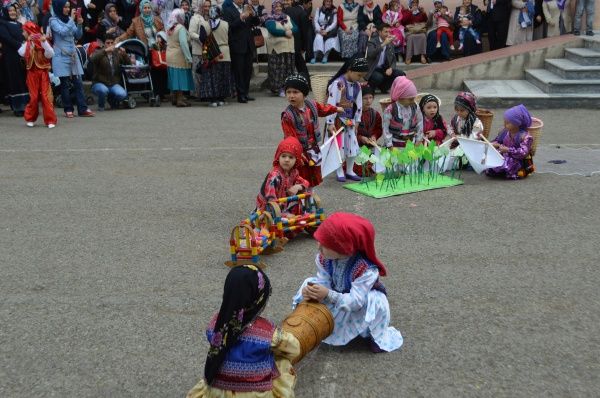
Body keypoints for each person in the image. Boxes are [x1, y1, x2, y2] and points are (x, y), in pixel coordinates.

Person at [292, 212, 403, 353]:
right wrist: (315, 292)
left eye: (325, 244)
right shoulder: (324, 258)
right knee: (309, 282)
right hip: (338, 295)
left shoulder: (365, 270)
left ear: (343, 248)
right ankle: (320, 322)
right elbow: (324, 280)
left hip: (358, 301)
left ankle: (373, 334)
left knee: (375, 302)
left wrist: (328, 294)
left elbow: (356, 302)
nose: (318, 246)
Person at [186, 265, 300, 398]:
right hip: (254, 393)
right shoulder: (268, 332)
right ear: (259, 299)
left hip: (217, 389)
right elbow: (294, 349)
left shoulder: (215, 324)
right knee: (282, 360)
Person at [280, 74, 343, 187]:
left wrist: (335, 109)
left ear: (304, 94)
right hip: (300, 152)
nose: (291, 96)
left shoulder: (311, 105)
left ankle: (310, 197)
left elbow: (323, 109)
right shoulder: (287, 116)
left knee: (313, 174)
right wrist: (297, 153)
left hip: (313, 148)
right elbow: (290, 137)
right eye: (288, 92)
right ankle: (301, 201)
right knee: (300, 176)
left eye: (295, 92)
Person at [49, 0, 94, 118]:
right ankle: (68, 109)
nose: (67, 9)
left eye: (68, 7)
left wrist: (79, 24)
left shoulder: (70, 19)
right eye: (65, 7)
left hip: (73, 54)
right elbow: (62, 32)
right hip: (60, 55)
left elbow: (78, 35)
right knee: (64, 84)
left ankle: (82, 108)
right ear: (59, 7)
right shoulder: (53, 20)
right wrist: (72, 20)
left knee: (78, 82)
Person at [326, 57, 368, 182]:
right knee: (339, 147)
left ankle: (349, 170)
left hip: (350, 121)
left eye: (362, 75)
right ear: (349, 70)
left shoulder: (357, 86)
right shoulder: (338, 84)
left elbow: (359, 105)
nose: (360, 78)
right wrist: (330, 122)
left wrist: (357, 121)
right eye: (358, 74)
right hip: (337, 120)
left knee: (353, 147)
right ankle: (339, 170)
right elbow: (331, 104)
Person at [256, 136, 310, 218]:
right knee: (273, 216)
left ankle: (293, 216)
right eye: (283, 156)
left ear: (297, 160)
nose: (287, 160)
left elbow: (306, 183)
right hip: (269, 207)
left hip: (284, 204)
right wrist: (284, 215)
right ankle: (287, 217)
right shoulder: (274, 176)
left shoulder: (294, 172)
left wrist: (298, 186)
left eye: (291, 157)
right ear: (278, 157)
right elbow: (271, 200)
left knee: (299, 199)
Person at [18, 21, 57, 128]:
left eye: (24, 31)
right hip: (31, 74)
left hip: (43, 73)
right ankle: (30, 118)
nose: (23, 33)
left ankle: (50, 120)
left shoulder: (43, 43)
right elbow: (20, 52)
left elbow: (51, 54)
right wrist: (28, 41)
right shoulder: (27, 44)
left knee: (45, 96)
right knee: (33, 97)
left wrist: (44, 42)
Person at [222, 0, 259, 103]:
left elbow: (256, 22)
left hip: (249, 44)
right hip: (237, 44)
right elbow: (229, 26)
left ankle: (246, 93)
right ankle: (240, 94)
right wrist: (241, 17)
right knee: (239, 71)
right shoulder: (228, 10)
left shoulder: (246, 8)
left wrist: (254, 13)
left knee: (248, 70)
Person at [197, 6, 234, 106]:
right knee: (223, 75)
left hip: (210, 53)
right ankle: (221, 98)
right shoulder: (226, 24)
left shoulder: (204, 24)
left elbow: (202, 38)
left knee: (211, 76)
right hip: (225, 52)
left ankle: (213, 100)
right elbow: (230, 39)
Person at [486, 104, 535, 179]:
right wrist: (495, 144)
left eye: (508, 123)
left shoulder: (525, 137)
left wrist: (508, 150)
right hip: (504, 155)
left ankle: (506, 171)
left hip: (517, 160)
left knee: (505, 165)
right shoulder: (505, 132)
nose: (505, 125)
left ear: (517, 123)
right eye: (504, 122)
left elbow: (523, 153)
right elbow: (498, 140)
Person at [0, 2, 29, 116]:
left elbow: (24, 36)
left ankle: (26, 105)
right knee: (14, 81)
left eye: (14, 10)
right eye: (10, 11)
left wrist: (25, 41)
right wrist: (20, 45)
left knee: (23, 80)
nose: (12, 12)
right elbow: (6, 38)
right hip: (10, 57)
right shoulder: (2, 24)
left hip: (20, 56)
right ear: (6, 12)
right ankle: (17, 107)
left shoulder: (18, 24)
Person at [90, 32, 130, 111]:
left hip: (113, 83)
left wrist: (124, 54)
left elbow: (129, 64)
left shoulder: (116, 53)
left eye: (112, 43)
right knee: (103, 90)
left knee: (122, 94)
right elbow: (92, 59)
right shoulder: (99, 52)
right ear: (104, 44)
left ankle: (111, 100)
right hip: (99, 83)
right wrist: (105, 51)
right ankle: (101, 106)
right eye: (108, 43)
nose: (110, 44)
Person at [265, 0, 297, 97]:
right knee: (278, 70)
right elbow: (273, 30)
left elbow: (296, 27)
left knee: (288, 69)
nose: (278, 8)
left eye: (280, 6)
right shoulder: (269, 18)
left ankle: (288, 88)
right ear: (273, 8)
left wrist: (291, 31)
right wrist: (285, 33)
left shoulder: (287, 17)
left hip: (289, 48)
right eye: (276, 7)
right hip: (277, 49)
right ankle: (278, 89)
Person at [383, 75, 423, 148]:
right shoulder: (390, 109)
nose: (412, 101)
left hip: (411, 144)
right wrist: (389, 145)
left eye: (413, 99)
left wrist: (419, 139)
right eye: (410, 99)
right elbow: (386, 128)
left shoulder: (415, 107)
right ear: (400, 97)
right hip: (395, 145)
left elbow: (420, 123)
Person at [365, 23, 405, 94]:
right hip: (373, 68)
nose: (388, 34)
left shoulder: (390, 42)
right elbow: (370, 54)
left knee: (401, 74)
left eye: (389, 32)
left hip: (384, 68)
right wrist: (383, 44)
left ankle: (384, 88)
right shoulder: (372, 41)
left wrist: (391, 68)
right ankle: (371, 89)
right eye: (386, 32)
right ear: (380, 32)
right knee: (378, 77)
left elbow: (393, 59)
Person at [166, 8, 194, 107]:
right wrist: (189, 57)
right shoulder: (180, 28)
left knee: (174, 77)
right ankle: (180, 99)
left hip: (169, 55)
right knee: (180, 78)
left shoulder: (170, 27)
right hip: (178, 56)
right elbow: (183, 43)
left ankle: (174, 97)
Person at [353, 84, 383, 176]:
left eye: (371, 97)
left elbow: (378, 129)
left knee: (382, 162)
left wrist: (374, 136)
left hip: (370, 146)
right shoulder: (353, 114)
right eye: (365, 98)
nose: (368, 101)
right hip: (355, 147)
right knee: (361, 168)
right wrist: (360, 138)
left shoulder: (375, 114)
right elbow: (349, 132)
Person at [283, 0, 311, 88]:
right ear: (304, 3)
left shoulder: (288, 10)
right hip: (297, 42)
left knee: (289, 64)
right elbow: (304, 32)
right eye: (309, 4)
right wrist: (304, 47)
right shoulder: (303, 13)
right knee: (301, 64)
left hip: (286, 39)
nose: (310, 6)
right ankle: (306, 83)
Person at [188, 0, 209, 100]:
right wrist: (200, 38)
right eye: (203, 6)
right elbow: (191, 33)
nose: (205, 8)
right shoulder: (194, 18)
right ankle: (196, 93)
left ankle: (204, 92)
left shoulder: (206, 17)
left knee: (204, 72)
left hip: (206, 49)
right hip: (197, 48)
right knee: (196, 72)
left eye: (206, 6)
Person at [402, 0, 428, 64]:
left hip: (419, 30)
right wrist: (410, 11)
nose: (415, 4)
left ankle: (422, 56)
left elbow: (425, 21)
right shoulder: (405, 11)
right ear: (410, 3)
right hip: (410, 31)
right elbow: (403, 21)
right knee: (411, 37)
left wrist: (424, 13)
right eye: (413, 2)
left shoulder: (420, 11)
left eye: (416, 2)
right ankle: (408, 57)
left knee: (423, 36)